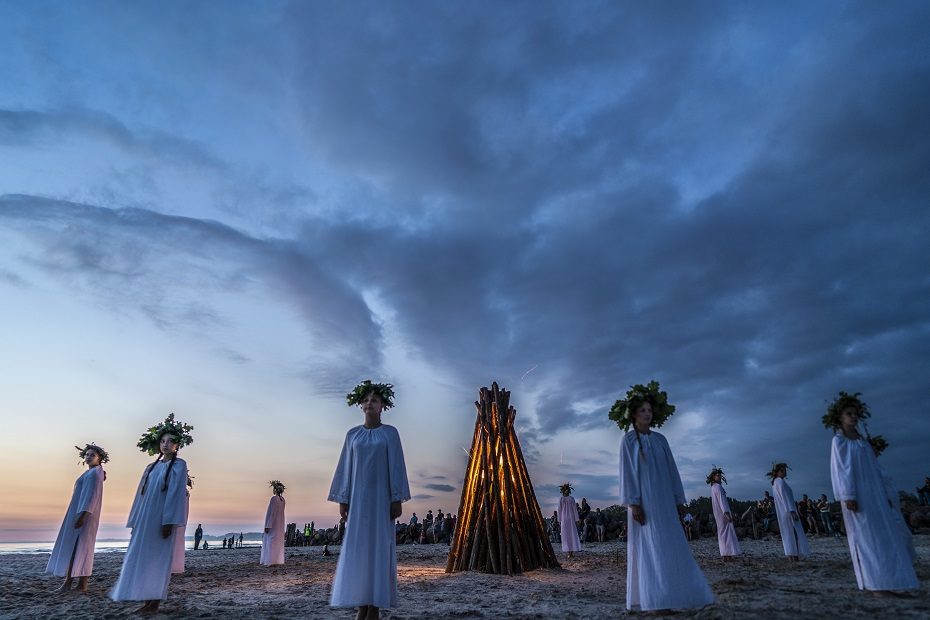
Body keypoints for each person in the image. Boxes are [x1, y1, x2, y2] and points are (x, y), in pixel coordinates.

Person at [613, 381, 714, 611]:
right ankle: (654, 597)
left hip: (665, 500)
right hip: (643, 502)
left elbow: (672, 471)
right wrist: (633, 503)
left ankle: (678, 592)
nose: (646, 414)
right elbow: (626, 472)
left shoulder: (660, 440)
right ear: (633, 414)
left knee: (671, 541)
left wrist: (679, 500)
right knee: (650, 545)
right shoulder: (628, 440)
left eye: (649, 410)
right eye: (642, 410)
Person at [329, 380, 410, 620]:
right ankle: (361, 604)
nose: (369, 403)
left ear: (383, 404)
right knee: (359, 549)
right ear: (360, 404)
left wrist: (397, 498)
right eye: (366, 400)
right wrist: (343, 498)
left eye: (374, 399)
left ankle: (374, 605)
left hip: (381, 502)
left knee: (379, 548)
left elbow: (396, 466)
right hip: (359, 501)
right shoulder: (352, 435)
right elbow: (346, 467)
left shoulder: (390, 433)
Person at [827, 392, 918, 595]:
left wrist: (885, 493)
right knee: (867, 538)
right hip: (857, 497)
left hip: (875, 495)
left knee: (885, 536)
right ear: (839, 417)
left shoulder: (862, 441)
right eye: (848, 413)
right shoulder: (839, 442)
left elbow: (876, 469)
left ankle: (892, 582)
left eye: (855, 413)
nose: (853, 417)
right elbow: (841, 470)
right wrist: (848, 495)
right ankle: (875, 584)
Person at [110, 413, 192, 614]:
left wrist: (169, 521)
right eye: (163, 441)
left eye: (171, 441)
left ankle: (154, 602)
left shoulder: (179, 465)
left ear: (177, 445)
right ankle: (145, 600)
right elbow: (140, 496)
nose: (166, 444)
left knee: (157, 558)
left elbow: (174, 494)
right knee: (142, 556)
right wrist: (135, 521)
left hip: (162, 519)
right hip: (146, 519)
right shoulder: (151, 467)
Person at [47, 443, 108, 593]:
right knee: (79, 548)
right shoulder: (91, 472)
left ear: (100, 458)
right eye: (87, 455)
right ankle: (78, 584)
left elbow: (92, 496)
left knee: (79, 548)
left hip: (85, 514)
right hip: (79, 512)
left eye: (92, 455)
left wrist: (84, 515)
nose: (88, 457)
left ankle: (72, 583)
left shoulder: (96, 473)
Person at [768, 463, 810, 561]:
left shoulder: (775, 483)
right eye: (782, 470)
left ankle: (791, 554)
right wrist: (792, 511)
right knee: (793, 533)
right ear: (777, 472)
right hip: (787, 511)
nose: (785, 472)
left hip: (782, 512)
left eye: (785, 470)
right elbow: (785, 498)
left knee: (787, 533)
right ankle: (794, 555)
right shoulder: (780, 482)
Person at [707, 466, 741, 559]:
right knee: (726, 533)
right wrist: (726, 513)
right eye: (717, 475)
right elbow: (722, 501)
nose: (719, 477)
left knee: (722, 533)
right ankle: (727, 554)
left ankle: (726, 554)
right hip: (722, 513)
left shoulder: (713, 487)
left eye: (719, 475)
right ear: (713, 477)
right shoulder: (718, 487)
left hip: (718, 513)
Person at [261, 480, 286, 565]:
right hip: (280, 525)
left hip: (273, 524)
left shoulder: (274, 499)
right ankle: (277, 560)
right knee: (277, 542)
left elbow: (271, 513)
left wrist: (268, 525)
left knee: (271, 542)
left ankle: (271, 560)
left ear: (275, 490)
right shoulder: (283, 500)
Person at [557, 483, 581, 557]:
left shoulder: (571, 498)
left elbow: (574, 509)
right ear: (563, 490)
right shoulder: (561, 499)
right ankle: (568, 552)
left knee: (572, 534)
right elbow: (559, 510)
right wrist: (559, 520)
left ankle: (571, 552)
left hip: (571, 518)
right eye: (565, 489)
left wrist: (577, 519)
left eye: (568, 489)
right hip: (564, 519)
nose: (567, 491)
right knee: (565, 535)